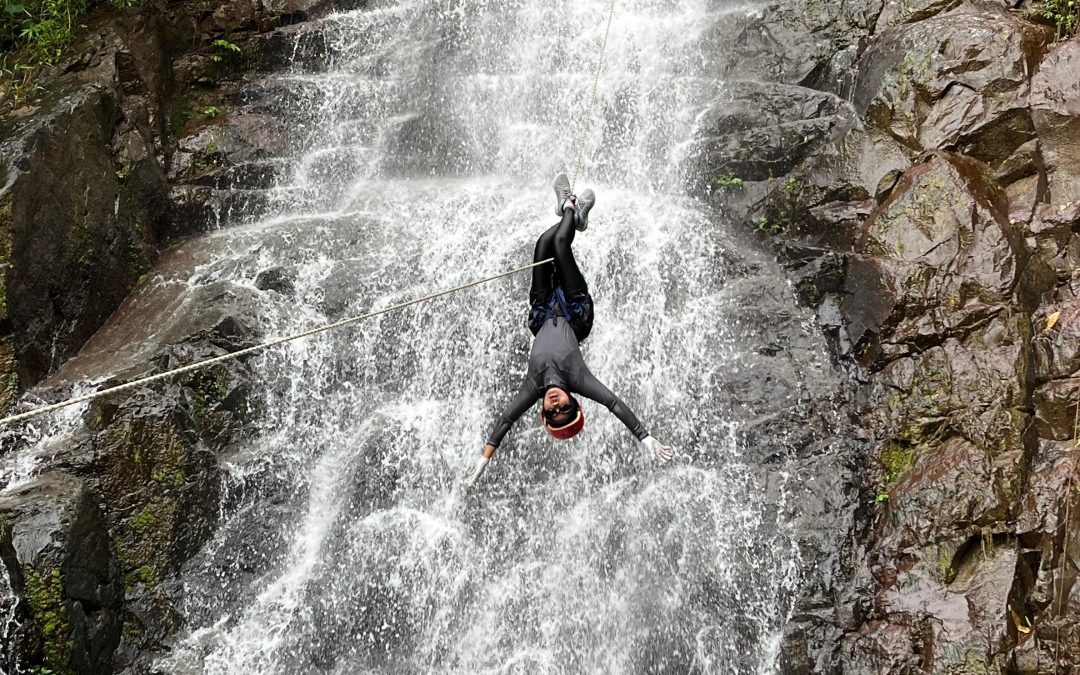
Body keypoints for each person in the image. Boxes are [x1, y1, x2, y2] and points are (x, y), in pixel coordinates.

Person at [462, 174, 674, 488]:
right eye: (566, 408)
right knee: (561, 244)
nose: (557, 403)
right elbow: (614, 404)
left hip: (543, 310)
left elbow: (505, 421)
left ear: (542, 413)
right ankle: (570, 209)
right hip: (575, 312)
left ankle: (573, 212)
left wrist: (483, 460)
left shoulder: (532, 388)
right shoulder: (577, 379)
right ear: (574, 402)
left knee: (543, 244)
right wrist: (646, 439)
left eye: (553, 411)